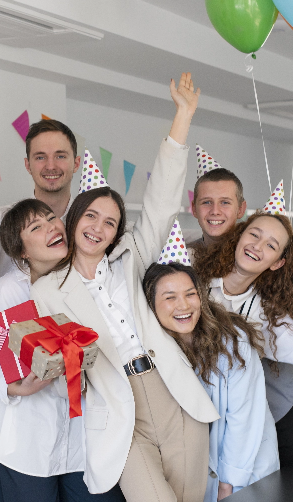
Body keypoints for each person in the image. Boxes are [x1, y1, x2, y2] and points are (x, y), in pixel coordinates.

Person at [31, 73, 220, 502]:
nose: (99, 228)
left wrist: (183, 117)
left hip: (172, 391)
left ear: (119, 232)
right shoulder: (47, 290)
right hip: (119, 412)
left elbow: (161, 199)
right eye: (91, 217)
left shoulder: (131, 257)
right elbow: (63, 364)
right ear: (74, 218)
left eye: (111, 222)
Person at [0, 199, 125, 502]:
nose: (51, 227)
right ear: (21, 250)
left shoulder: (86, 278)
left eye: (51, 218)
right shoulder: (8, 292)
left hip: (83, 437)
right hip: (26, 441)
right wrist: (18, 388)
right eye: (36, 227)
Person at [143, 261, 279, 501]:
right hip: (194, 473)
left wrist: (228, 483)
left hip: (243, 468)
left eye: (190, 294)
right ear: (150, 305)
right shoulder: (151, 350)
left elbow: (243, 418)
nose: (183, 305)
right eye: (170, 297)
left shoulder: (234, 342)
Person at [193, 210, 293, 467]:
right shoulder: (192, 273)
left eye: (271, 245)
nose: (257, 246)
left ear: (277, 263)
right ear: (239, 236)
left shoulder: (267, 315)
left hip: (224, 418)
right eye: (254, 235)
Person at [0, 119, 81, 277]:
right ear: (27, 165)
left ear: (76, 163)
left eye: (60, 156)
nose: (51, 166)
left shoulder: (91, 225)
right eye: (40, 157)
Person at [190, 163, 246, 247]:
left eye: (225, 202)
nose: (215, 211)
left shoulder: (253, 255)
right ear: (194, 209)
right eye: (206, 202)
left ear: (240, 209)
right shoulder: (181, 256)